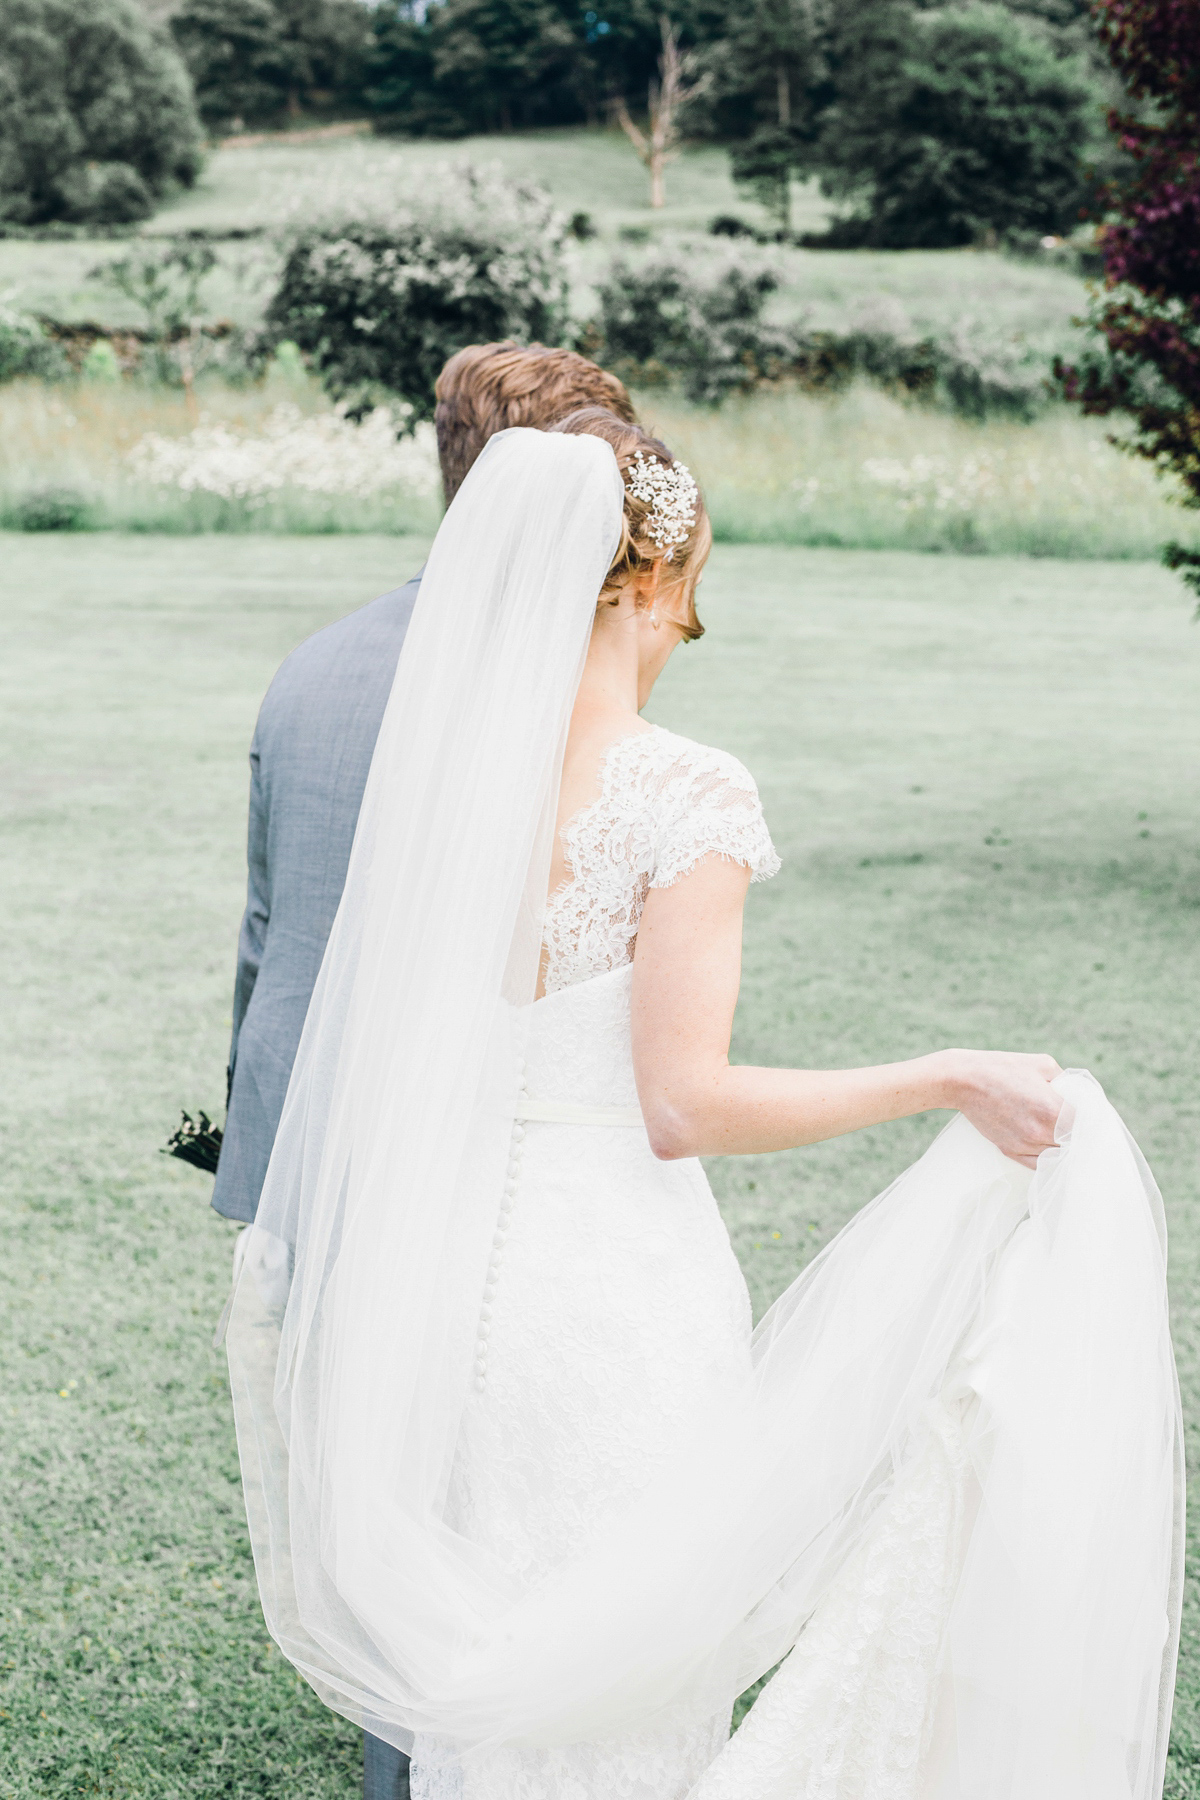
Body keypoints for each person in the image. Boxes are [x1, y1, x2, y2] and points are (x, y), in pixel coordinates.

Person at [224, 420, 1182, 1799]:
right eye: (694, 582)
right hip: (611, 1281)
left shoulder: (446, 792)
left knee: (506, 1656)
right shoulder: (683, 787)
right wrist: (951, 1073)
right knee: (633, 1669)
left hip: (452, 1277)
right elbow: (684, 1104)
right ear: (651, 578)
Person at [212, 345, 636, 1800]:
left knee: (373, 1469)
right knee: (460, 1481)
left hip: (302, 1130)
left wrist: (244, 1144)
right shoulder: (556, 688)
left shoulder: (316, 660)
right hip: (462, 1135)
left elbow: (267, 930)